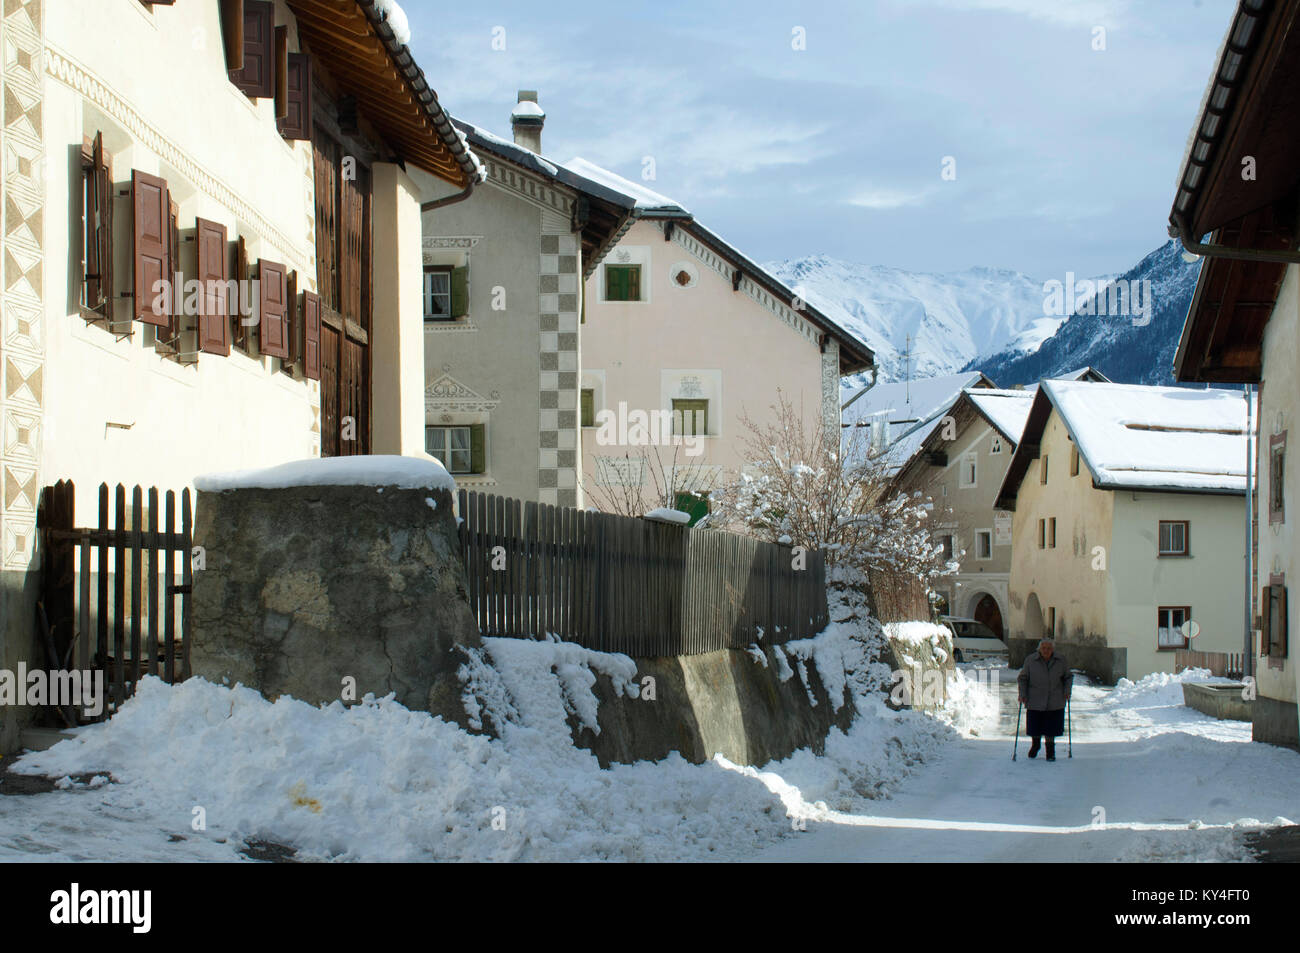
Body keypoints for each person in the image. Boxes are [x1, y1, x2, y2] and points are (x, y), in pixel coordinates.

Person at [1017, 637, 1072, 761]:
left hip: (1055, 698)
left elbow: (1068, 677)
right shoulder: (1031, 660)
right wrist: (1022, 693)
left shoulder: (1061, 660)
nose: (1046, 651)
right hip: (1035, 698)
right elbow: (1023, 678)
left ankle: (1050, 751)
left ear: (1053, 649)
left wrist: (1067, 691)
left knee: (1051, 727)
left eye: (1048, 648)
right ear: (1039, 649)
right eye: (1043, 648)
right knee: (1035, 725)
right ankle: (1035, 745)